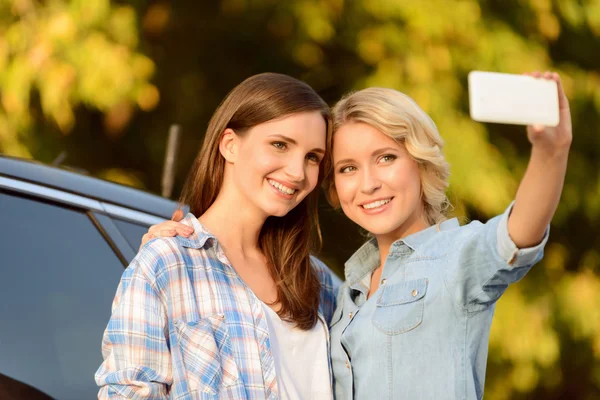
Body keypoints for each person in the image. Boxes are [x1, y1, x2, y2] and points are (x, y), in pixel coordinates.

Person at [146, 72, 571, 399]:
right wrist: (176, 250)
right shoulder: (339, 292)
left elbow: (517, 235)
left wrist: (551, 151)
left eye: (385, 158)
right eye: (348, 168)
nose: (367, 184)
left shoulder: (455, 259)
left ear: (420, 162)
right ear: (334, 186)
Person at [95, 73, 338, 399]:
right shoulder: (167, 265)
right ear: (230, 145)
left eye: (313, 158)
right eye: (280, 145)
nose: (297, 172)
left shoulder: (320, 283)